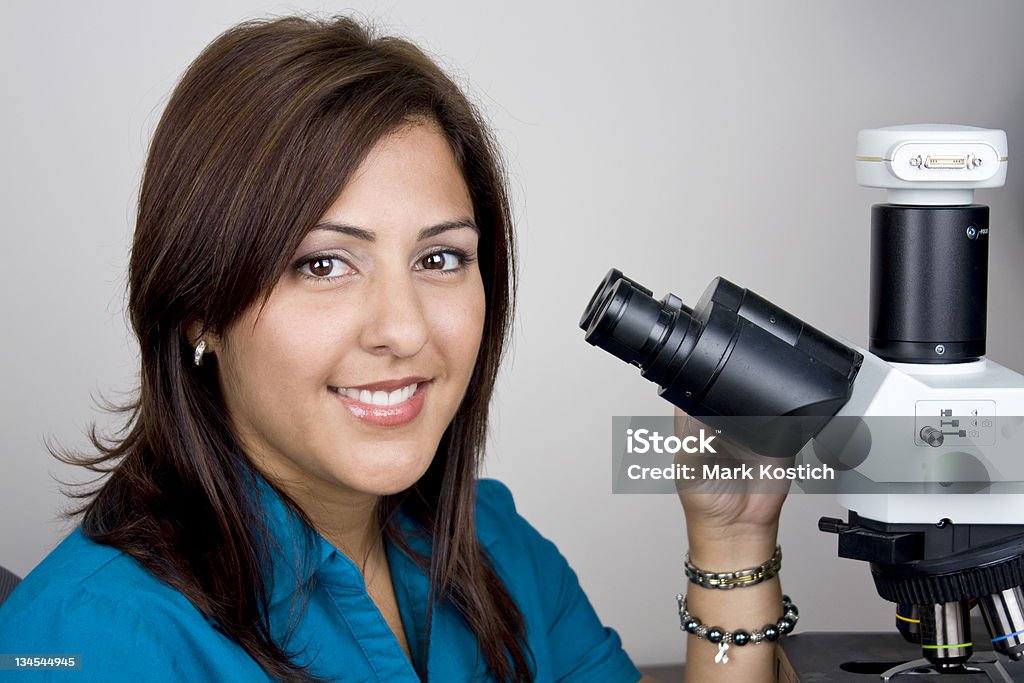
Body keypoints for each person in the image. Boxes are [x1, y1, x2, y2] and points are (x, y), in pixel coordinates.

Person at [0, 15, 787, 682]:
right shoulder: (85, 639)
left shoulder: (494, 544)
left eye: (440, 258)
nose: (405, 330)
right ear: (198, 306)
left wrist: (732, 538)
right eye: (321, 264)